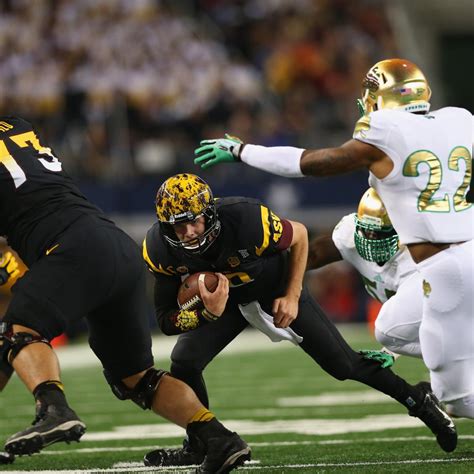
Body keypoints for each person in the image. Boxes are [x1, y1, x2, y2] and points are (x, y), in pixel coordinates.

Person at [194, 58, 474, 419]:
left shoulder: (385, 130)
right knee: (391, 331)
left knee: (456, 400)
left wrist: (243, 151)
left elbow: (314, 162)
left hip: (444, 269)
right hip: (464, 254)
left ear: (379, 98)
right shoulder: (459, 119)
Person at [142, 172, 457, 468]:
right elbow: (165, 320)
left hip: (273, 287)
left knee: (343, 365)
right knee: (184, 361)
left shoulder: (247, 219)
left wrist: (292, 294)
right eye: (177, 226)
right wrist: (204, 314)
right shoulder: (159, 248)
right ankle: (201, 443)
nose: (188, 232)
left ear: (209, 213)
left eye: (193, 221)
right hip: (227, 303)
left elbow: (301, 235)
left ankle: (418, 399)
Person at [0, 116, 250, 473]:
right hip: (115, 245)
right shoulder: (15, 125)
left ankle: (53, 408)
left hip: (73, 247)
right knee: (136, 378)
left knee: (19, 330)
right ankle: (219, 439)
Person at [308, 187, 422, 363]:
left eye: (378, 233)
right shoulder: (350, 235)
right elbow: (312, 255)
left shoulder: (416, 259)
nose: (370, 239)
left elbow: (421, 320)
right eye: (366, 231)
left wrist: (390, 351)